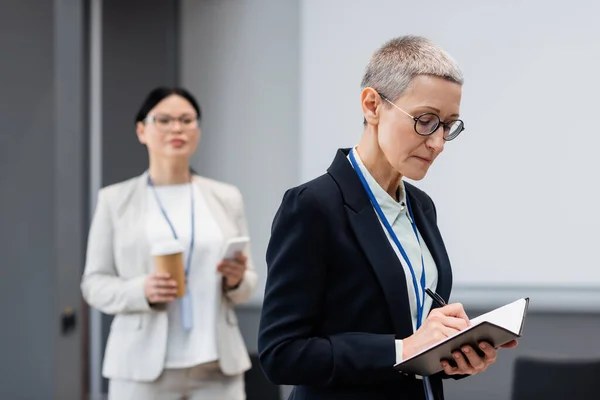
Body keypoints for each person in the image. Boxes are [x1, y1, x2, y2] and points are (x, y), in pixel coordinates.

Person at [257, 36, 517, 400]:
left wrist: (453, 354)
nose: (438, 143)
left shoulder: (421, 207)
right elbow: (281, 354)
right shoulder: (312, 206)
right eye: (426, 121)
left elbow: (410, 336)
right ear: (372, 106)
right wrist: (404, 349)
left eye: (448, 125)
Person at [81, 86, 257, 400]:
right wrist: (141, 291)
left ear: (198, 130)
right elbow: (93, 283)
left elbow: (249, 283)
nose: (177, 128)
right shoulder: (114, 200)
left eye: (187, 120)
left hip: (217, 368)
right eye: (164, 120)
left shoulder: (226, 197)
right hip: (141, 368)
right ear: (141, 130)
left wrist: (236, 281)